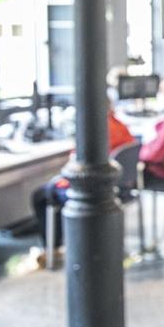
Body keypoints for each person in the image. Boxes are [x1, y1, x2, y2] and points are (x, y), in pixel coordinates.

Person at [32, 96, 135, 246]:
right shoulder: (120, 126)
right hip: (123, 186)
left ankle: (52, 248)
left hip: (99, 190)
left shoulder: (95, 133)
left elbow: (79, 165)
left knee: (41, 195)